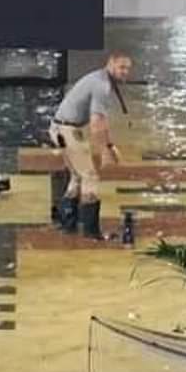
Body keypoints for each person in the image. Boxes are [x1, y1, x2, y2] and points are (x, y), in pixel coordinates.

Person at [49, 51, 133, 240]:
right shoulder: (102, 86)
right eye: (121, 67)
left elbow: (102, 122)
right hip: (67, 130)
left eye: (128, 68)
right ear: (110, 63)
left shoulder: (99, 79)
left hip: (59, 127)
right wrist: (104, 151)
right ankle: (91, 231)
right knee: (90, 176)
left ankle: (67, 223)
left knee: (77, 176)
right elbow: (96, 124)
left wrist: (110, 145)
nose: (125, 72)